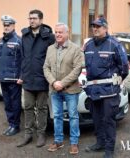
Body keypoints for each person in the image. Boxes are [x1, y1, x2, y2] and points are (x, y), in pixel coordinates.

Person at [83, 16, 129, 158]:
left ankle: (109, 149)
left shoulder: (114, 44)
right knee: (96, 119)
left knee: (108, 120)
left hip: (109, 91)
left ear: (105, 28)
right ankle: (100, 143)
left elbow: (124, 67)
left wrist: (117, 81)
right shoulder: (89, 44)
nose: (95, 29)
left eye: (98, 26)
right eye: (93, 26)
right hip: (93, 91)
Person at [16, 9, 55, 148]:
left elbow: (53, 59)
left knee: (42, 108)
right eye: (30, 18)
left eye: (34, 18)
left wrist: (51, 78)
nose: (31, 21)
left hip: (42, 78)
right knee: (27, 107)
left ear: (41, 20)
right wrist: (22, 75)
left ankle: (41, 135)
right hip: (27, 79)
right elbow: (23, 57)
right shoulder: (25, 35)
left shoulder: (49, 37)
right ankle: (28, 135)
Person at [43, 23, 83, 155]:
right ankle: (58, 140)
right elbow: (45, 68)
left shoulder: (75, 49)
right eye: (56, 32)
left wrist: (62, 83)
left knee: (73, 116)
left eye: (61, 32)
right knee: (57, 116)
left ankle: (74, 143)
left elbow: (77, 69)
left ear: (67, 33)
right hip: (55, 89)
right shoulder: (50, 49)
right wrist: (54, 82)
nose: (58, 34)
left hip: (70, 90)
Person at [0, 15, 22, 136]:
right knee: (7, 104)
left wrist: (21, 76)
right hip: (3, 78)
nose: (6, 27)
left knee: (15, 103)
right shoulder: (1, 40)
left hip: (14, 79)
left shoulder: (18, 40)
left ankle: (16, 126)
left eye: (8, 25)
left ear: (13, 26)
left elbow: (23, 60)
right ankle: (11, 124)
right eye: (4, 25)